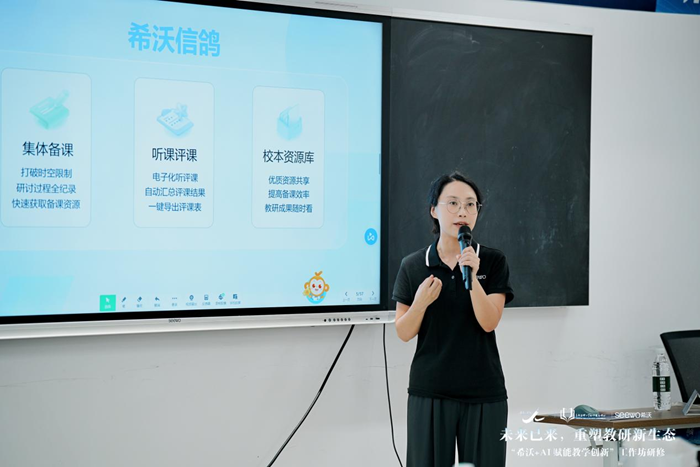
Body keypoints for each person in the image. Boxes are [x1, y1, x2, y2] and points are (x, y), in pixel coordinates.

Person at [393, 172, 514, 467]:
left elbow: (489, 322)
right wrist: (420, 303)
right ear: (434, 210)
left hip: (484, 391)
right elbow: (403, 332)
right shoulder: (413, 265)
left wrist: (471, 275)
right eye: (453, 203)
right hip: (430, 390)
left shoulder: (493, 261)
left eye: (471, 204)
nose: (463, 211)